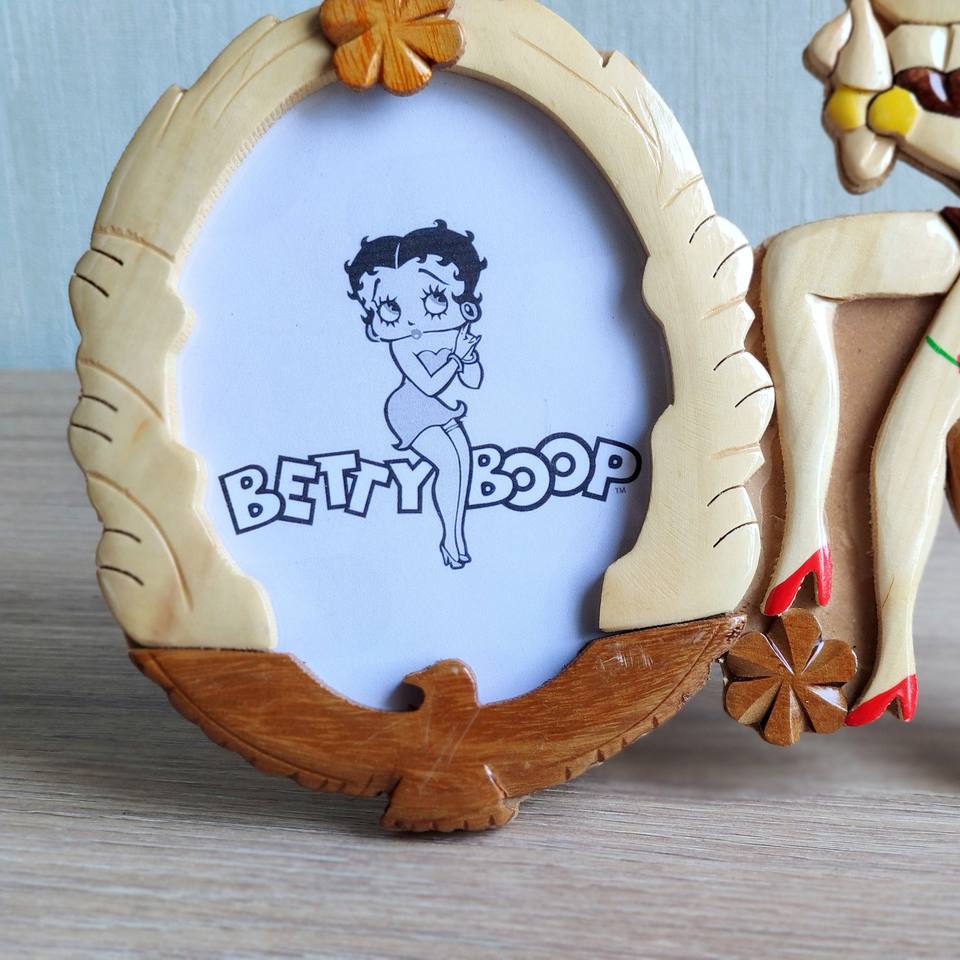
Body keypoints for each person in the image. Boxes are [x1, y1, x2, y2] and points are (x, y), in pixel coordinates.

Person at [762, 0, 960, 725]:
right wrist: (860, 57)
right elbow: (864, 164)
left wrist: (906, 121)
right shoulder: (872, 34)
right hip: (954, 237)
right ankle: (803, 526)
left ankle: (896, 651)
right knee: (792, 264)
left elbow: (900, 128)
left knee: (907, 435)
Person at [345, 221, 487, 569]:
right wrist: (457, 357)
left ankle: (454, 533)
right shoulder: (403, 344)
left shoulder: (452, 334)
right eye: (390, 308)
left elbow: (473, 381)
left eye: (436, 299)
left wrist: (468, 357)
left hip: (437, 407)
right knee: (449, 463)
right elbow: (428, 385)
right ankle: (450, 540)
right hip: (407, 409)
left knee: (463, 462)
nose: (412, 320)